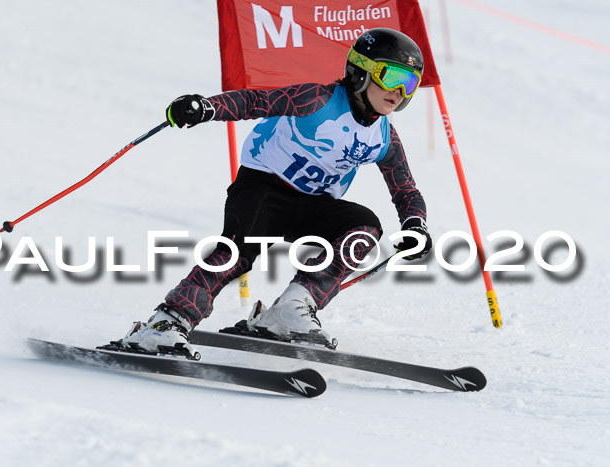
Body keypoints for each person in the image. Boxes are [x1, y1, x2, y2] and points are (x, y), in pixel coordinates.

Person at [117, 28, 432, 359]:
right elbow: (257, 101)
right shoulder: (318, 100)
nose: (398, 91)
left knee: (363, 227)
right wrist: (205, 108)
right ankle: (166, 322)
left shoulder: (384, 137)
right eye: (391, 76)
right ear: (361, 70)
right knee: (236, 254)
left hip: (314, 205)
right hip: (263, 189)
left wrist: (415, 225)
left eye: (409, 83)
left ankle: (291, 309)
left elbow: (405, 189)